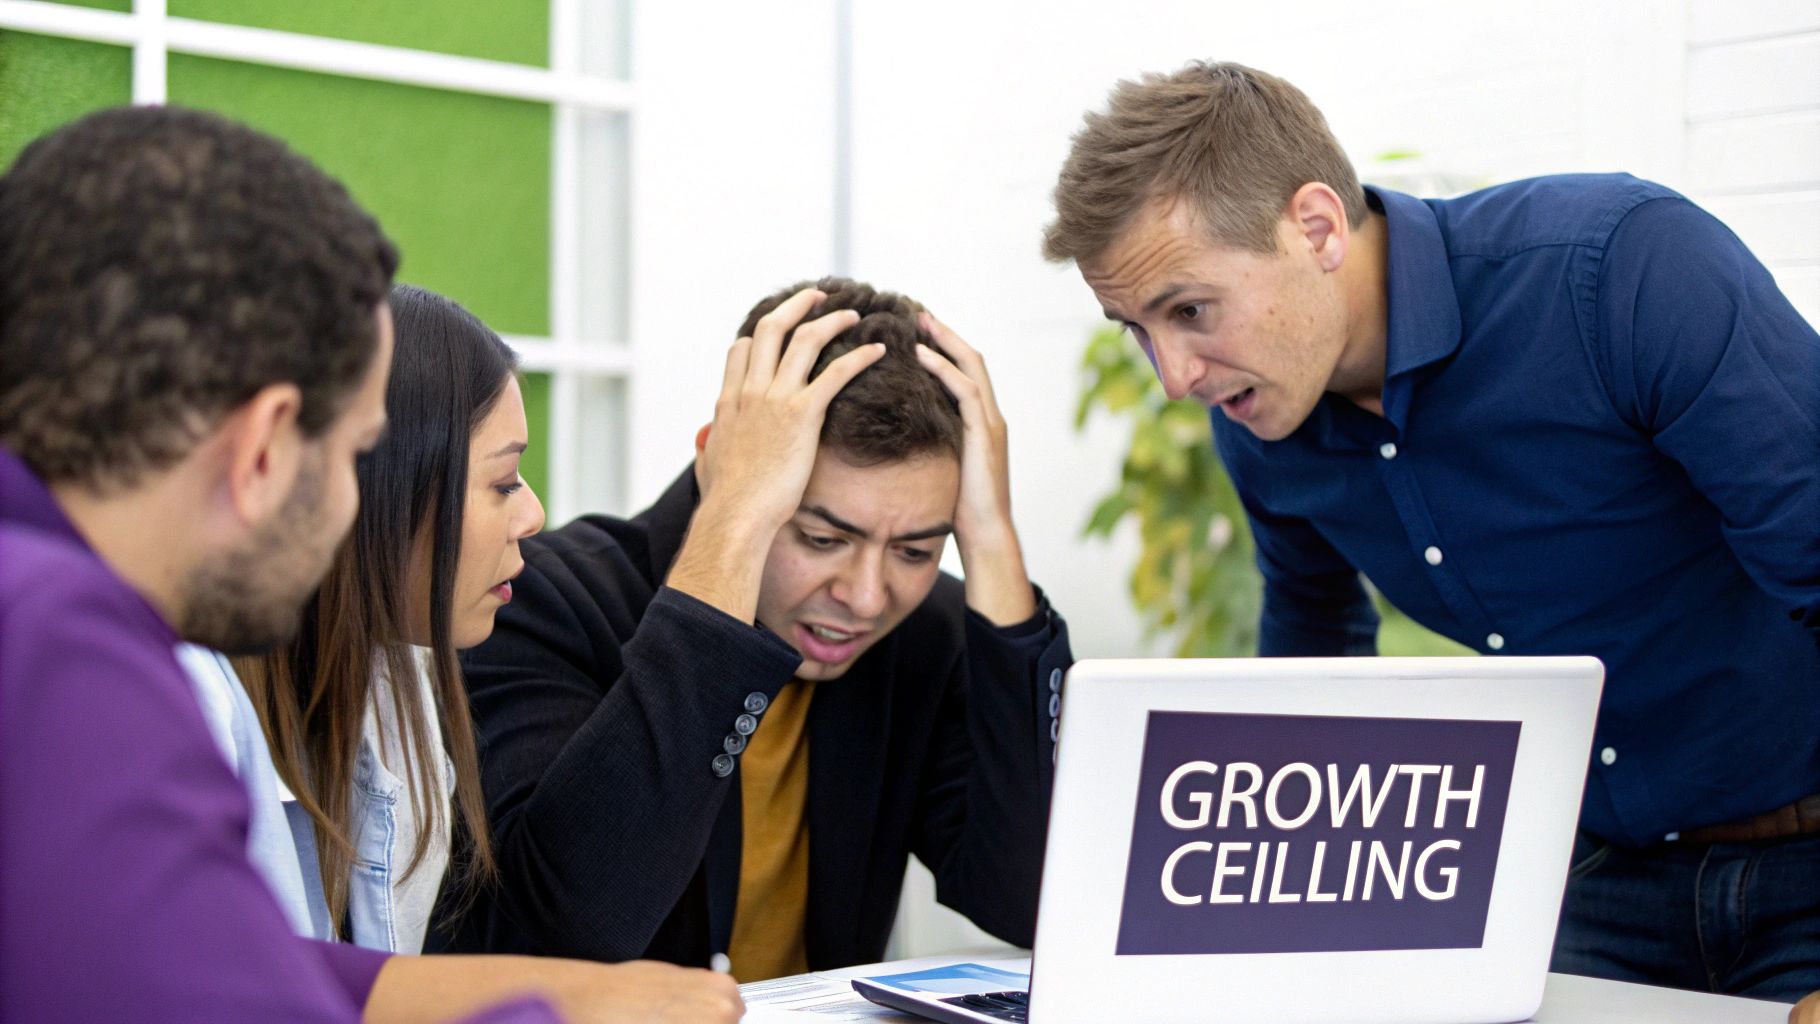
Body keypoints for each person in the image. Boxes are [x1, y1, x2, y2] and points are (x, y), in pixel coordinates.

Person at [1042, 60, 1820, 1002]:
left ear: (1317, 227)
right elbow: (1311, 677)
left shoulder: (1620, 271)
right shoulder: (1261, 427)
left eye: (1190, 310)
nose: (1173, 375)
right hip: (1582, 878)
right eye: (1137, 329)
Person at [0, 105, 739, 1022]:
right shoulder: (64, 649)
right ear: (268, 445)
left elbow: (229, 957)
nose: (357, 510)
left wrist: (570, 992)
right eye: (355, 455)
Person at [433, 278, 1072, 980]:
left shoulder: (925, 634)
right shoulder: (541, 601)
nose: (865, 597)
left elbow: (1031, 904)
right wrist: (735, 517)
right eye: (822, 538)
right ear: (722, 464)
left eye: (917, 550)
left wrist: (992, 539)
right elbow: (566, 929)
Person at [179, 282, 544, 953]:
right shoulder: (183, 705)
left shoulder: (398, 680)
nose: (532, 516)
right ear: (381, 490)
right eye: (503, 481)